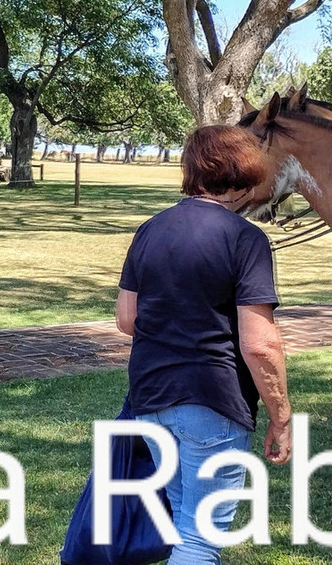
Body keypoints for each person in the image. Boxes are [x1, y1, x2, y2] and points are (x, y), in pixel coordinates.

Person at [115, 125, 292, 564]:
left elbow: (127, 319)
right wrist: (281, 417)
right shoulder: (246, 238)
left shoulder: (149, 230)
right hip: (213, 400)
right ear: (243, 169)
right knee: (199, 538)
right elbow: (259, 344)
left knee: (183, 522)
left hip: (151, 397)